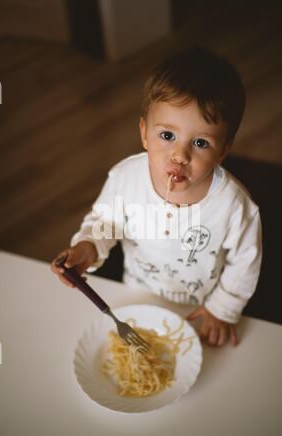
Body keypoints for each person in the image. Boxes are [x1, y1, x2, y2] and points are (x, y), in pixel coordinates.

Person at [51, 46, 262, 347]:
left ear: (223, 150)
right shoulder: (126, 178)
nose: (180, 155)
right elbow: (105, 222)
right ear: (144, 133)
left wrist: (222, 309)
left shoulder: (235, 206)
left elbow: (246, 261)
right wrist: (86, 249)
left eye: (200, 142)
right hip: (136, 295)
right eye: (166, 136)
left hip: (199, 306)